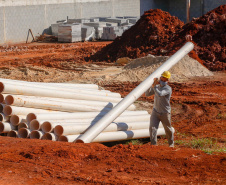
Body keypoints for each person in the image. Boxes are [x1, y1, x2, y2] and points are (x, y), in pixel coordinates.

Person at [145, 71, 174, 147]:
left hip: (165, 113)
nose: (163, 81)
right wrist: (148, 85)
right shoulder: (157, 87)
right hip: (155, 111)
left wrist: (154, 86)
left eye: (165, 80)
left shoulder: (168, 89)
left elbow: (160, 94)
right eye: (162, 79)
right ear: (160, 78)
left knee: (168, 129)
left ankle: (171, 144)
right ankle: (153, 145)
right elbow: (147, 94)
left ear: (167, 81)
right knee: (152, 128)